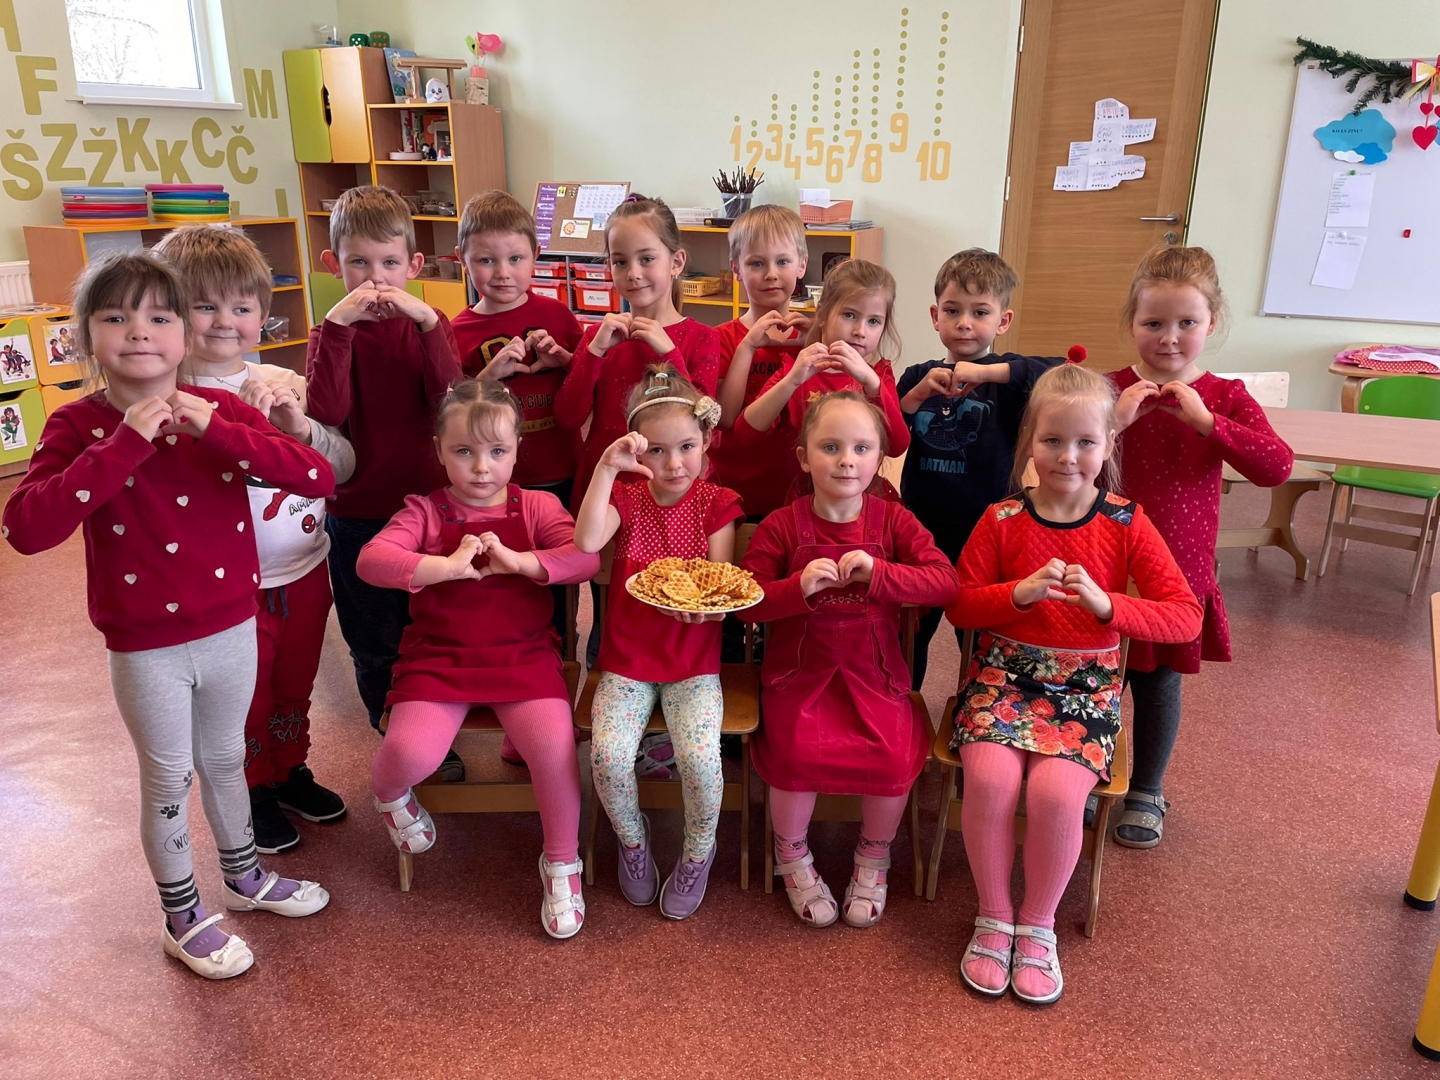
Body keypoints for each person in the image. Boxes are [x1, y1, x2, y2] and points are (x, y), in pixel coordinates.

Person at [2, 252, 336, 979]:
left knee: (224, 759)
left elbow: (317, 476)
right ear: (86, 337)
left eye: (159, 317)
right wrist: (122, 445)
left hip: (232, 626)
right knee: (168, 778)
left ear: (185, 334)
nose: (139, 332)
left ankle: (244, 877)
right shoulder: (77, 424)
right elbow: (26, 528)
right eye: (115, 317)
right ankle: (181, 917)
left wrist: (222, 430)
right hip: (146, 644)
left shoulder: (220, 412)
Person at [946, 363, 1202, 1004]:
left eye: (1085, 442)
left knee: (1058, 797)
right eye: (1053, 440)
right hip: (1001, 677)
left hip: (1084, 687)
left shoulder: (1125, 521)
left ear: (1109, 445)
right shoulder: (1003, 517)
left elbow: (1184, 616)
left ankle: (1038, 925)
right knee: (990, 781)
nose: (1068, 456)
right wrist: (1016, 594)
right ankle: (993, 915)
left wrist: (1110, 606)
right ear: (1029, 442)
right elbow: (960, 605)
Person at [357, 379, 598, 939]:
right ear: (439, 451)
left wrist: (521, 562)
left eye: (497, 451)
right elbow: (371, 561)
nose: (482, 467)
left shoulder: (536, 505)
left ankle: (562, 863)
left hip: (523, 659)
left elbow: (584, 559)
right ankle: (389, 796)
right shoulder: (425, 510)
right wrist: (445, 567)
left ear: (517, 451)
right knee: (408, 754)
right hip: (439, 662)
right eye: (464, 451)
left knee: (554, 752)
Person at [155, 224, 354, 854]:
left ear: (263, 314)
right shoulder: (166, 397)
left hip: (304, 567)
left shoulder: (284, 379)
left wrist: (299, 428)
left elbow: (340, 466)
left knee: (294, 683)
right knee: (247, 694)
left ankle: (288, 769)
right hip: (226, 588)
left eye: (241, 307)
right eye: (204, 305)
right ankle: (253, 787)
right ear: (169, 312)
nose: (224, 322)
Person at [741, 392, 956, 928]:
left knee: (890, 755)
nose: (846, 461)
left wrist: (882, 575)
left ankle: (873, 856)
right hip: (798, 673)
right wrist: (795, 588)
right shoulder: (781, 525)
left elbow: (944, 583)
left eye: (861, 448)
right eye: (830, 447)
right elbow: (746, 599)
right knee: (793, 751)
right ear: (803, 457)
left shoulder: (894, 521)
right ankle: (792, 855)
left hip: (874, 674)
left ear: (880, 457)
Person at [1109, 245, 1292, 848]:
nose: (1169, 338)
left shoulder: (1224, 396)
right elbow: (1056, 453)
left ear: (1211, 323)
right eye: (1153, 322)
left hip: (1176, 575)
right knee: (1094, 677)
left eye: (1186, 322)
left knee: (1159, 684)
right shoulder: (1108, 388)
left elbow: (1276, 466)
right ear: (1132, 322)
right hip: (1104, 565)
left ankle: (1147, 788)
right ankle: (1089, 771)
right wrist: (1113, 423)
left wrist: (1210, 424)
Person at [305, 186, 464, 782]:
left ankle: (436, 728)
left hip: (429, 509)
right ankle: (393, 727)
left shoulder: (429, 324)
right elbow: (326, 410)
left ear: (414, 266)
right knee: (373, 635)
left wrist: (424, 321)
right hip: (358, 511)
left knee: (434, 625)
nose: (375, 280)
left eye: (390, 263)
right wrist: (337, 327)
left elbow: (451, 399)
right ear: (333, 264)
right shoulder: (329, 333)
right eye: (359, 263)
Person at [573, 365, 741, 920]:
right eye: (658, 451)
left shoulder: (716, 503)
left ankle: (697, 851)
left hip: (693, 663)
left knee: (701, 759)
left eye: (687, 447)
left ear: (706, 441)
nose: (674, 464)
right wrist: (605, 468)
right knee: (607, 756)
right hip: (627, 662)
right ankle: (633, 840)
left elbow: (722, 585)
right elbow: (586, 541)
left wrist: (700, 607)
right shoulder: (627, 497)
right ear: (636, 450)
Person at [896, 249, 1068, 689]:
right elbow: (889, 432)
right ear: (935, 316)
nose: (964, 323)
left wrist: (989, 374)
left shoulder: (1007, 381)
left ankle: (978, 708)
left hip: (988, 531)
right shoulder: (918, 375)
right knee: (910, 633)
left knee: (979, 637)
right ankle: (903, 707)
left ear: (1003, 321)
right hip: (922, 527)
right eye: (952, 311)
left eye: (980, 312)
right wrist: (918, 394)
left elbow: (1061, 371)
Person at [554, 194, 721, 515]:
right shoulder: (597, 337)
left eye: (646, 259)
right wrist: (594, 352)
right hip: (604, 488)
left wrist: (669, 352)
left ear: (676, 263)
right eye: (620, 261)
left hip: (668, 489)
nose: (633, 272)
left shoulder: (702, 338)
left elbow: (705, 421)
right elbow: (568, 417)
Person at [734, 258, 909, 505]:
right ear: (822, 314)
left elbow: (898, 446)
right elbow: (745, 434)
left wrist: (872, 383)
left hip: (862, 504)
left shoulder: (878, 376)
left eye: (873, 321)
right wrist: (791, 382)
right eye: (849, 315)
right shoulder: (797, 369)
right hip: (805, 503)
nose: (860, 331)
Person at [712, 204, 812, 519]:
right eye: (756, 263)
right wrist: (747, 347)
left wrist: (819, 338)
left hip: (798, 493)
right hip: (733, 491)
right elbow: (725, 418)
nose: (770, 274)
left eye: (782, 261)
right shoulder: (721, 339)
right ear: (736, 268)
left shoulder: (813, 337)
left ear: (802, 265)